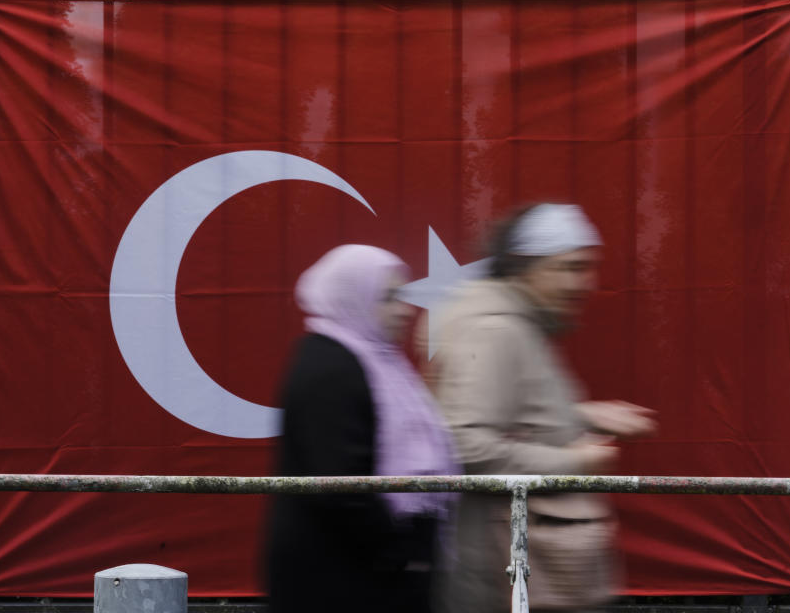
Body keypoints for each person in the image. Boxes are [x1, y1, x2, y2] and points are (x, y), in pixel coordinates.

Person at [430, 203, 656, 613]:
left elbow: (513, 414)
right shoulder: (495, 329)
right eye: (570, 267)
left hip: (529, 574)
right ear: (524, 266)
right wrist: (575, 460)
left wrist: (580, 414)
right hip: (502, 578)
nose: (586, 282)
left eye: (588, 267)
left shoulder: (520, 324)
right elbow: (465, 444)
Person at [266, 244, 457, 613]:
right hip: (339, 579)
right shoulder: (331, 367)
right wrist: (399, 551)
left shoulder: (375, 359)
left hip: (369, 573)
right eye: (388, 297)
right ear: (353, 296)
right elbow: (341, 486)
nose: (405, 310)